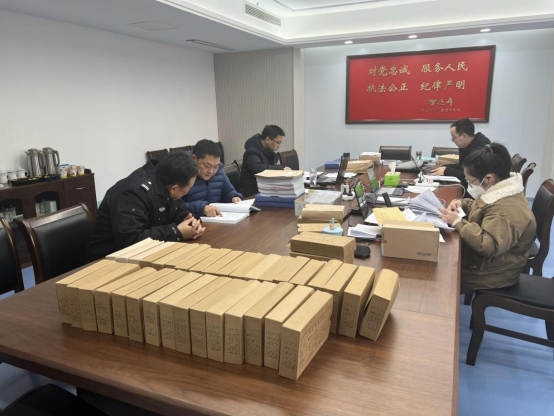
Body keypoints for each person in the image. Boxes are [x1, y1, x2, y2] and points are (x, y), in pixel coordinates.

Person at [439, 143, 536, 294]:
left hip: (492, 272)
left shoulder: (505, 209)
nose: (469, 185)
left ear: (489, 178)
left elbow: (487, 245)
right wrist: (461, 203)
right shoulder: (500, 191)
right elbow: (481, 207)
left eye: (470, 181)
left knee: (436, 274)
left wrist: (458, 222)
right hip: (487, 263)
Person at [86, 153, 205, 262]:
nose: (188, 191)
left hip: (142, 254)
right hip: (105, 260)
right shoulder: (134, 194)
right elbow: (131, 240)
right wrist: (177, 232)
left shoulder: (166, 179)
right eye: (189, 189)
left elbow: (178, 207)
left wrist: (189, 221)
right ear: (174, 188)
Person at [183, 139, 243, 217]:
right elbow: (176, 207)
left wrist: (234, 197)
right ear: (194, 158)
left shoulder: (219, 172)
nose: (211, 171)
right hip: (193, 220)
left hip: (215, 218)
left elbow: (229, 191)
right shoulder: (183, 174)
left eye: (215, 167)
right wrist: (201, 208)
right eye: (207, 166)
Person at [430, 118, 490, 185]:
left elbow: (472, 176)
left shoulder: (480, 151)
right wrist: (445, 167)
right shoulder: (469, 146)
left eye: (454, 138)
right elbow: (463, 167)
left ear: (464, 136)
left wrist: (447, 171)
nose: (453, 141)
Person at [239, 124, 291, 197]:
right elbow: (258, 169)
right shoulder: (251, 152)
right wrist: (281, 169)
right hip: (251, 196)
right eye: (278, 143)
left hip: (265, 191)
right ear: (268, 140)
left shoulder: (269, 152)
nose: (279, 146)